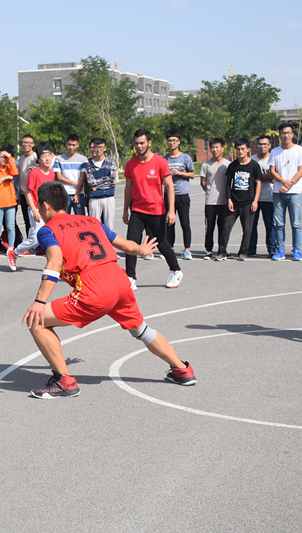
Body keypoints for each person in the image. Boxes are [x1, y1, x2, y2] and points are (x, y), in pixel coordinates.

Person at [22, 181, 196, 398]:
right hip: (119, 282)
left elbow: (55, 261)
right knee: (142, 330)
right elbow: (126, 245)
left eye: (38, 206)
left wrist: (39, 302)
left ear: (45, 206)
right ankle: (182, 370)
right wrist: (141, 249)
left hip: (93, 288)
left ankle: (64, 381)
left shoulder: (48, 230)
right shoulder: (91, 221)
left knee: (36, 320)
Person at [122, 129, 183, 290]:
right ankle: (130, 277)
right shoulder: (131, 164)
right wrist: (125, 210)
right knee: (131, 244)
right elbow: (128, 188)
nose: (139, 146)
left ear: (149, 143)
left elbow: (169, 186)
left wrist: (171, 211)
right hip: (137, 210)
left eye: (142, 143)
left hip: (157, 211)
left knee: (162, 244)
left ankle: (176, 271)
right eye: (136, 143)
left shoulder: (160, 162)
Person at [8, 142, 56, 271]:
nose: (47, 159)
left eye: (49, 156)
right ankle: (14, 252)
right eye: (44, 157)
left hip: (48, 210)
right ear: (38, 160)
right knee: (34, 239)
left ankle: (54, 263)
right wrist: (34, 210)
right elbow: (28, 192)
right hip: (37, 209)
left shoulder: (52, 174)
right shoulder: (34, 173)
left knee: (51, 236)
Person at [269, 122, 302, 261]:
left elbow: (301, 171)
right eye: (283, 133)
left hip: (294, 192)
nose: (286, 135)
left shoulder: (300, 150)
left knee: (296, 224)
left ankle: (297, 250)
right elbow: (272, 171)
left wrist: (288, 185)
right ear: (279, 135)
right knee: (279, 224)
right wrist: (283, 182)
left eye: (288, 132)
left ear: (292, 135)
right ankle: (280, 250)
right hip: (278, 192)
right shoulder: (275, 152)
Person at [219, 138, 261, 261]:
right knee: (226, 227)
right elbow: (228, 184)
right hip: (234, 202)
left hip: (248, 203)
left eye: (243, 149)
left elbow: (258, 183)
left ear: (248, 150)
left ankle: (243, 252)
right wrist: (229, 199)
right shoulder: (233, 165)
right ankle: (222, 252)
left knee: (247, 230)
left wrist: (255, 201)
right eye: (238, 149)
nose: (240, 151)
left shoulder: (254, 165)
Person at [164, 132, 195, 259]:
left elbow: (192, 174)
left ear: (179, 142)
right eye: (169, 140)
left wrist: (180, 173)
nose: (172, 143)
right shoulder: (164, 159)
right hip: (168, 195)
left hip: (182, 195)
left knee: (185, 223)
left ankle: (187, 250)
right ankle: (170, 248)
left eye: (174, 140)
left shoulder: (185, 157)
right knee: (169, 223)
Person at [77, 138, 117, 232]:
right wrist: (105, 178)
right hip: (94, 199)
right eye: (96, 147)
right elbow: (91, 182)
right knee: (94, 227)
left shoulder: (110, 163)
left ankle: (109, 242)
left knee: (109, 227)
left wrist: (97, 186)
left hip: (108, 197)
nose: (98, 149)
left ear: (105, 148)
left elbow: (112, 181)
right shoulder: (89, 165)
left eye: (100, 147)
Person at [199, 138, 230, 259]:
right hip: (210, 202)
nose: (215, 149)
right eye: (212, 147)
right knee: (209, 227)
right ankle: (208, 250)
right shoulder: (206, 165)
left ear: (222, 149)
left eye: (217, 147)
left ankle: (222, 250)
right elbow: (203, 182)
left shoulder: (228, 164)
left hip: (224, 201)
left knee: (223, 227)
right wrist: (209, 192)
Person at [0, 144, 18, 257]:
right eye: (2, 157)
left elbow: (15, 172)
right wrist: (4, 178)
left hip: (10, 202)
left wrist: (9, 157)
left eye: (5, 157)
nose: (4, 159)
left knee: (10, 226)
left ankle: (11, 247)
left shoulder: (9, 168)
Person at [249, 135, 276, 257]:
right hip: (254, 198)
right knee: (252, 225)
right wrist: (268, 177)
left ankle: (272, 248)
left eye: (265, 144)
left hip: (270, 197)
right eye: (260, 144)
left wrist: (260, 177)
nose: (262, 146)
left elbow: (275, 176)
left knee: (270, 225)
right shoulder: (251, 160)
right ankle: (251, 248)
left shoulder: (273, 159)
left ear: (269, 146)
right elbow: (251, 178)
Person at [53, 134, 88, 215]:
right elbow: (59, 177)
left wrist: (78, 193)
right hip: (64, 194)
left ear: (78, 145)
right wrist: (75, 183)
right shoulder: (59, 159)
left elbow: (82, 179)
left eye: (73, 145)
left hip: (79, 194)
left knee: (80, 219)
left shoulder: (83, 160)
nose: (71, 147)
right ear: (66, 143)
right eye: (69, 144)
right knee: (64, 219)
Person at [17, 134, 38, 238]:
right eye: (24, 142)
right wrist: (20, 194)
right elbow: (21, 177)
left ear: (33, 144)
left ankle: (38, 243)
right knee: (27, 221)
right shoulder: (21, 159)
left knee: (36, 220)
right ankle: (29, 242)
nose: (26, 144)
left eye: (28, 143)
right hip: (23, 193)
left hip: (34, 194)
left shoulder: (36, 158)